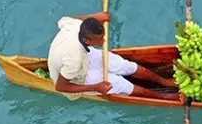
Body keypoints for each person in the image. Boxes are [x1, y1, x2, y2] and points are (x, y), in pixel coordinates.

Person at [47, 11, 180, 102]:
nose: (104, 41)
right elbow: (61, 87)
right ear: (87, 40)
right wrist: (96, 87)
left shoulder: (76, 26)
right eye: (100, 39)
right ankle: (162, 97)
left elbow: (64, 19)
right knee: (119, 84)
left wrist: (96, 16)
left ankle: (164, 81)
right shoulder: (74, 60)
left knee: (125, 65)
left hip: (84, 55)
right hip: (76, 77)